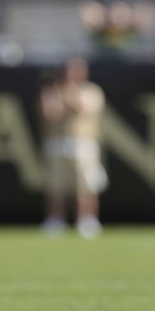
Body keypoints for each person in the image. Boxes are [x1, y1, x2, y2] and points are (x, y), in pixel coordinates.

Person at [39, 58, 107, 239]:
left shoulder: (92, 91)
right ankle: (55, 220)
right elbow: (49, 115)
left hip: (83, 143)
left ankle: (87, 219)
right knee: (56, 186)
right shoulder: (52, 92)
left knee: (85, 186)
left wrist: (67, 93)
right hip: (57, 143)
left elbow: (82, 107)